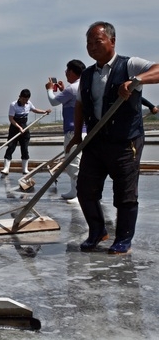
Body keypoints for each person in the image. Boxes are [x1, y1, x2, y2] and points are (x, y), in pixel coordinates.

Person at [67, 21, 159, 255]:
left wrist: (137, 81)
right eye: (88, 43)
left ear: (112, 41)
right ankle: (97, 231)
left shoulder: (129, 65)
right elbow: (80, 105)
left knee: (125, 193)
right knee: (85, 190)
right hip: (96, 141)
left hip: (125, 141)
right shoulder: (87, 75)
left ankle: (123, 239)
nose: (92, 47)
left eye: (97, 42)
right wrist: (78, 135)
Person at [45, 59, 86, 200]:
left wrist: (50, 89)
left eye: (67, 70)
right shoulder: (83, 86)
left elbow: (53, 101)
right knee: (80, 161)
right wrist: (63, 90)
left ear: (72, 72)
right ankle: (75, 190)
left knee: (72, 162)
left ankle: (77, 192)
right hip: (85, 130)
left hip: (73, 131)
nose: (65, 73)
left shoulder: (72, 88)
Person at [0, 89, 51, 175]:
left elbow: (34, 110)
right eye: (23, 99)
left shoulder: (29, 104)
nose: (25, 101)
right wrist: (19, 127)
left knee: (25, 149)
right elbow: (11, 119)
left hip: (24, 128)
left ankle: (25, 169)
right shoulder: (13, 105)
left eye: (26, 100)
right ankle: (6, 168)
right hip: (14, 128)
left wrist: (44, 112)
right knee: (11, 147)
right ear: (19, 97)